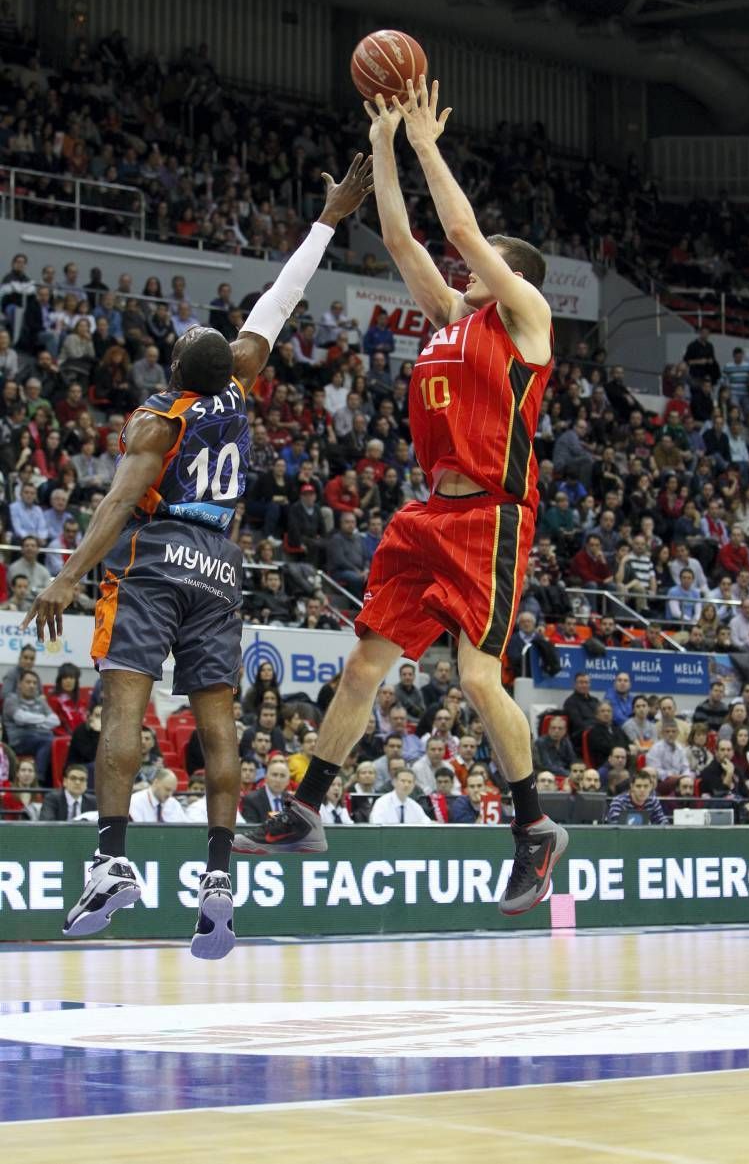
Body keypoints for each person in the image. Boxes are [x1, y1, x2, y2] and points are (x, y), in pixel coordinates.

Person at [22, 156, 374, 958]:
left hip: (158, 554)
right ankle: (219, 877)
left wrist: (67, 576)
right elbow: (279, 303)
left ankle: (112, 862)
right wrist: (326, 220)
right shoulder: (238, 385)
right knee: (220, 730)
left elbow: (115, 505)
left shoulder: (158, 420)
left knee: (125, 711)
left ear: (178, 368)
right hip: (221, 565)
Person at [233, 81, 567, 915]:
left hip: (492, 513)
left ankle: (533, 830)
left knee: (479, 679)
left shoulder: (525, 317)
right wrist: (382, 141)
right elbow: (401, 237)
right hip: (428, 514)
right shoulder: (453, 317)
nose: (468, 257)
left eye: (489, 253)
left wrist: (424, 141)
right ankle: (306, 808)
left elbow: (454, 228)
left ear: (514, 273)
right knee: (361, 667)